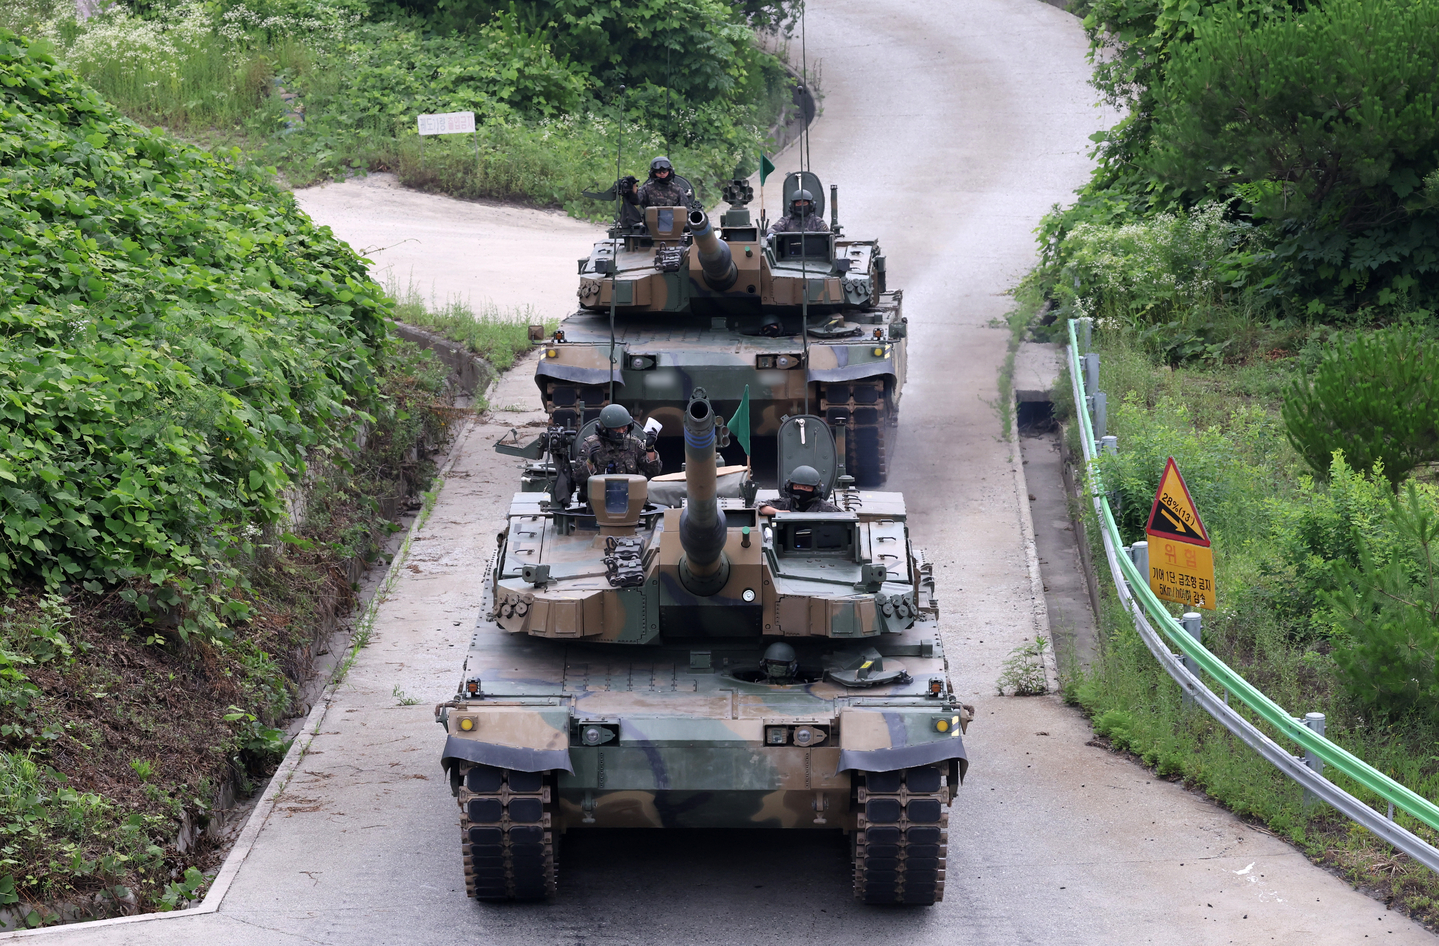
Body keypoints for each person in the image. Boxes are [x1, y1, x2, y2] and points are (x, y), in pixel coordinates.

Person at [578, 404, 662, 478]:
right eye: (617, 429)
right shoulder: (590, 445)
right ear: (604, 429)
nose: (621, 431)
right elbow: (578, 478)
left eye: (624, 427)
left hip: (630, 493)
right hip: (599, 494)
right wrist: (589, 462)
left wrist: (649, 449)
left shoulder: (634, 444)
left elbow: (654, 471)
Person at [759, 465, 840, 514]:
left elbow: (844, 519)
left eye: (806, 487)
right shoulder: (786, 504)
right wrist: (778, 512)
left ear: (815, 490)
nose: (801, 490)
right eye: (797, 487)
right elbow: (758, 507)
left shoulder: (826, 508)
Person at [623, 156, 691, 209]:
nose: (662, 173)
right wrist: (632, 188)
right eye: (658, 171)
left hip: (674, 223)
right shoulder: (647, 189)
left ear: (670, 171)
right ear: (653, 173)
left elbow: (686, 210)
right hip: (652, 224)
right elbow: (636, 201)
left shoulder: (677, 190)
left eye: (664, 171)